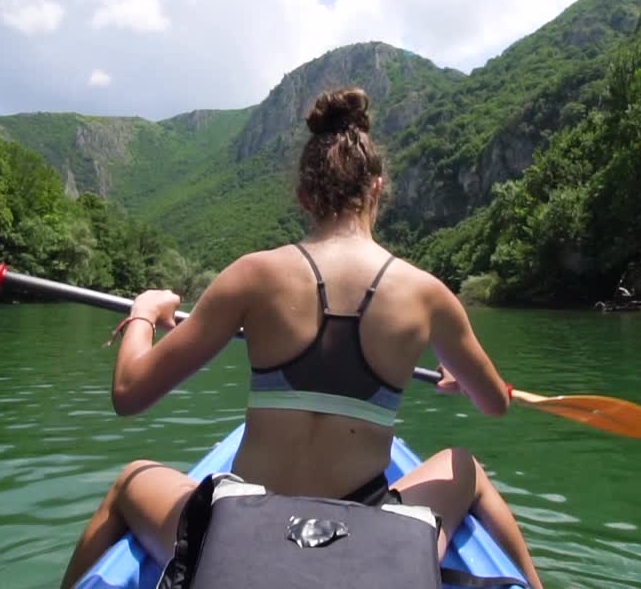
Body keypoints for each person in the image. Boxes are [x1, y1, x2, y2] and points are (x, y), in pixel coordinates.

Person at [60, 88, 543, 589]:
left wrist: (143, 312)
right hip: (361, 530)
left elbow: (129, 394)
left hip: (244, 527)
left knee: (130, 481)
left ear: (303, 195)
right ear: (378, 188)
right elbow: (495, 404)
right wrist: (458, 375)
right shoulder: (428, 296)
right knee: (464, 465)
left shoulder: (252, 276)